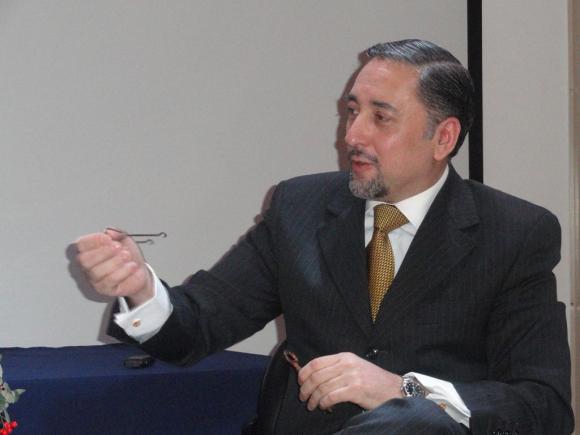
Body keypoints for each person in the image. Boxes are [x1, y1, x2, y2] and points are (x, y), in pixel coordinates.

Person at [75, 39, 574, 434]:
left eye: (381, 117)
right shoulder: (300, 207)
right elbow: (200, 324)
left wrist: (405, 391)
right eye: (352, 111)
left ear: (443, 137)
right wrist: (140, 288)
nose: (352, 135)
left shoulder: (514, 233)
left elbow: (543, 405)